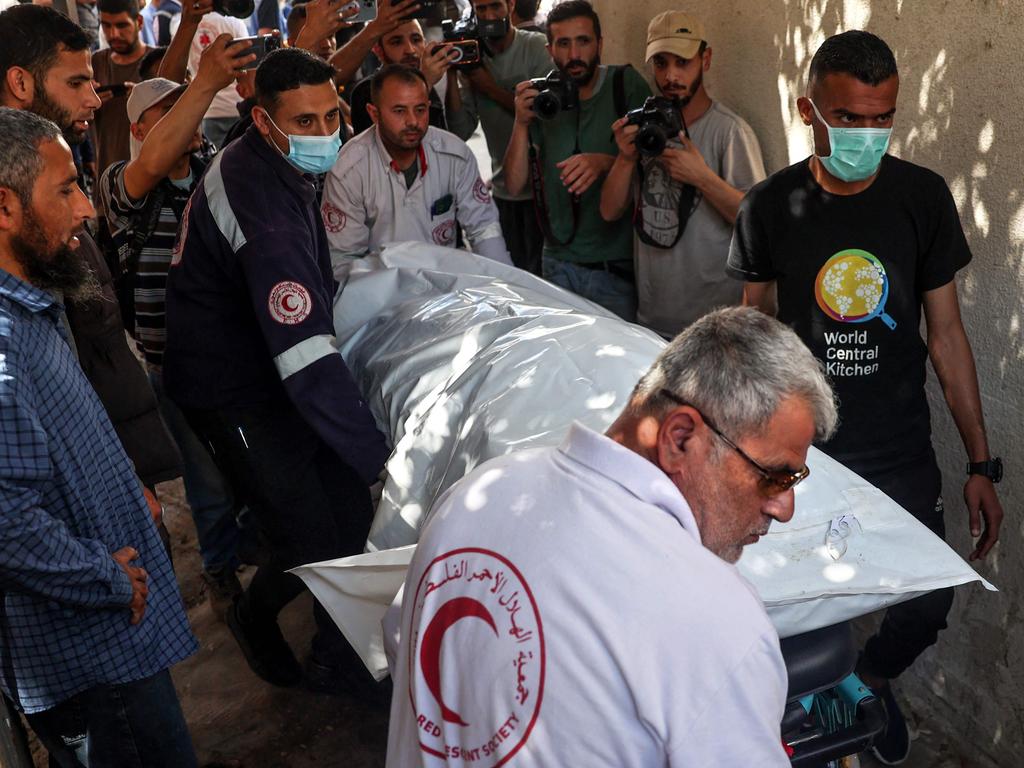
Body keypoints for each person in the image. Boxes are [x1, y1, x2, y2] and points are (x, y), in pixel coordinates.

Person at [385, 306, 838, 767]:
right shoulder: (719, 624)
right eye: (775, 477)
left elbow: (402, 644)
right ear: (680, 438)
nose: (784, 509)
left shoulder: (478, 492)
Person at [726, 30, 1004, 764]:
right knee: (781, 609)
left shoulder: (921, 198)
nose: (868, 135)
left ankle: (871, 679)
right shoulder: (767, 207)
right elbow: (756, 330)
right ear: (808, 108)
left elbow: (945, 336)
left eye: (883, 118)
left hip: (900, 450)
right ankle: (788, 719)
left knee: (929, 599)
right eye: (849, 118)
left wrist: (982, 464)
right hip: (800, 458)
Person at [163, 47, 390, 695]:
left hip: (274, 368)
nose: (324, 135)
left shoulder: (269, 155)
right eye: (306, 123)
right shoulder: (263, 212)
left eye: (330, 117)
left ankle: (338, 652)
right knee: (305, 536)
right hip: (233, 392)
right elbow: (306, 358)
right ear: (264, 121)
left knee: (346, 510)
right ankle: (252, 614)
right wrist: (376, 453)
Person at [0, 105, 198, 768]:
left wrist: (125, 488)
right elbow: (6, 518)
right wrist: (103, 579)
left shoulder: (31, 301)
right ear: (4, 207)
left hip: (113, 637)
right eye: (65, 190)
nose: (85, 210)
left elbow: (52, 441)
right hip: (92, 655)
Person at [97, 39, 256, 612]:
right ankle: (220, 572)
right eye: (168, 112)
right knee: (207, 479)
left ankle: (255, 549)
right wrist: (203, 86)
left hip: (236, 351)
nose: (187, 115)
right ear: (141, 131)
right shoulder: (122, 187)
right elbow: (150, 166)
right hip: (174, 364)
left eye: (186, 105)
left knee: (250, 462)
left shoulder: (215, 167)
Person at [0, 3, 183, 494]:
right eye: (76, 83)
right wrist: (111, 481)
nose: (95, 99)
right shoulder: (20, 209)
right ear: (21, 83)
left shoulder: (52, 163)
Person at [600, 11, 764, 337]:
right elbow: (608, 212)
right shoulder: (645, 130)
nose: (671, 75)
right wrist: (624, 158)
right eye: (661, 63)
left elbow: (757, 223)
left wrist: (701, 177)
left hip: (714, 324)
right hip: (651, 317)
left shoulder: (729, 131)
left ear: (706, 59)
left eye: (682, 62)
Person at [504, 0, 651, 320]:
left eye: (583, 41)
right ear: (549, 50)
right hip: (556, 263)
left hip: (614, 268)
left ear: (600, 44)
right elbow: (514, 186)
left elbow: (656, 169)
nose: (574, 55)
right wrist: (521, 122)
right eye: (564, 43)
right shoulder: (545, 99)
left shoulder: (625, 86)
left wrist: (605, 163)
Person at [323, 64, 509, 277]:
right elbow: (344, 260)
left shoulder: (455, 156)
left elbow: (484, 229)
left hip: (446, 290)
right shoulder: (348, 170)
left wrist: (505, 285)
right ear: (374, 113)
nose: (413, 121)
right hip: (379, 295)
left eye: (420, 109)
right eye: (399, 111)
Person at [445, 0, 551, 274]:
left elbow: (545, 113)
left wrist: (489, 87)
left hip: (546, 191)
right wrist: (453, 75)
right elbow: (461, 130)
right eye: (481, 10)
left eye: (496, 6)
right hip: (505, 193)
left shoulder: (536, 47)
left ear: (511, 4)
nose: (490, 16)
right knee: (513, 279)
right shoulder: (475, 57)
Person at [345, 17, 469, 138]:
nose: (410, 50)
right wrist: (426, 82)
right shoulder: (365, 91)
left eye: (416, 40)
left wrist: (451, 73)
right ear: (378, 50)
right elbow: (387, 148)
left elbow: (453, 137)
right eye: (397, 42)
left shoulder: (423, 78)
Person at [92, 0, 152, 176]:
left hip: (150, 175)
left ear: (139, 22)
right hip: (107, 175)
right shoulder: (95, 63)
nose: (114, 34)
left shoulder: (159, 63)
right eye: (106, 26)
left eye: (122, 25)